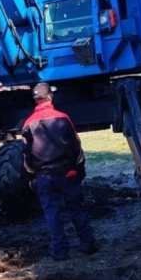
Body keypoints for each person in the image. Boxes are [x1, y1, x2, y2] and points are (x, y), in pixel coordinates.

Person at [22, 82, 97, 260]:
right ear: (50, 97)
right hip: (67, 174)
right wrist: (78, 171)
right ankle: (87, 244)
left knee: (52, 213)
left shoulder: (28, 123)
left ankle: (60, 251)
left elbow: (26, 156)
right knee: (77, 209)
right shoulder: (63, 118)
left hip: (44, 177)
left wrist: (33, 176)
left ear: (36, 100)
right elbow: (76, 148)